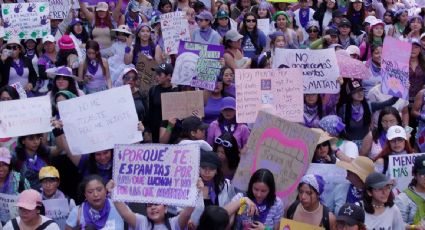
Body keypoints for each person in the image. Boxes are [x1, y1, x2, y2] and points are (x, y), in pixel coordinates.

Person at [188, 150, 235, 226]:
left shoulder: (225, 185)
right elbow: (179, 208)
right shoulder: (190, 183)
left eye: (211, 169)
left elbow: (232, 209)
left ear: (217, 171)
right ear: (198, 168)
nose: (207, 172)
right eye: (203, 168)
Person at [147, 63, 176, 143]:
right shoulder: (153, 90)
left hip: (171, 128)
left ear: (169, 76)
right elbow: (150, 112)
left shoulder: (176, 91)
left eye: (160, 74)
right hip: (155, 129)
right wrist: (148, 130)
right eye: (156, 74)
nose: (157, 76)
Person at [395, 154, 425, 228]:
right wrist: (412, 227)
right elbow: (397, 225)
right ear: (414, 174)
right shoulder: (403, 199)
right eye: (422, 174)